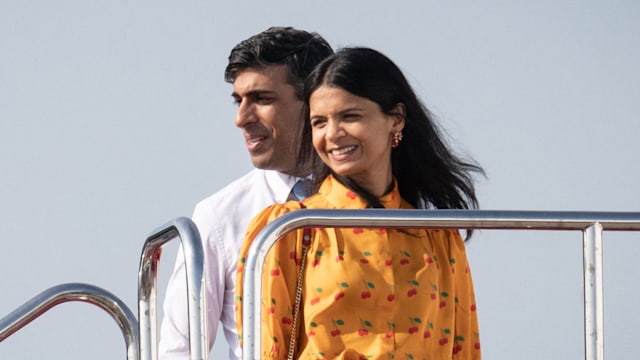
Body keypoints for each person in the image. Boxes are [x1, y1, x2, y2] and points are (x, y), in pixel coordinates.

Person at [235, 47, 484, 359]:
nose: (333, 134)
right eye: (319, 122)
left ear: (396, 120)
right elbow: (266, 350)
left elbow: (462, 350)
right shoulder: (291, 230)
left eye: (350, 117)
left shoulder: (439, 236)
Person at [158, 27, 333, 360]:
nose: (241, 118)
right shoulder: (219, 216)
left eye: (262, 99)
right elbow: (177, 350)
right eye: (239, 101)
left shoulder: (380, 203)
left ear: (316, 102)